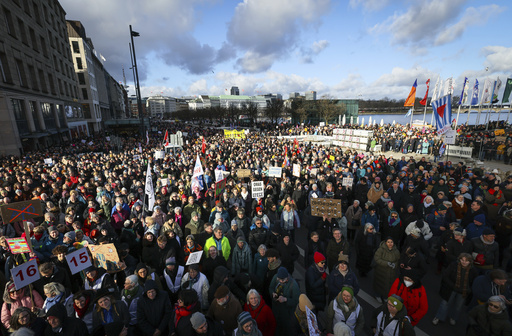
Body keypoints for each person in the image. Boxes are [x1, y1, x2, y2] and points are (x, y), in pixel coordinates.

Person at [432, 253, 478, 326]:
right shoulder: (453, 265)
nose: (464, 262)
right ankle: (438, 317)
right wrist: (453, 286)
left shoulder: (473, 270)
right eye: (462, 260)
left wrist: (469, 289)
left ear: (470, 262)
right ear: (459, 259)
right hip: (450, 289)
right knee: (445, 304)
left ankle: (453, 317)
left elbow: (474, 282)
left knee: (458, 306)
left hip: (463, 291)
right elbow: (445, 276)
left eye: (466, 261)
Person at [268, 267, 300, 335]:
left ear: (287, 277)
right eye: (279, 279)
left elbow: (296, 301)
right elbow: (271, 287)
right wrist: (273, 293)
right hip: (276, 309)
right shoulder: (276, 277)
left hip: (286, 313)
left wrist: (286, 299)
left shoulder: (293, 285)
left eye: (283, 280)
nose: (281, 281)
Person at [372, 238, 400, 302]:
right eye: (388, 242)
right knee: (379, 284)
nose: (390, 244)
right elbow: (377, 259)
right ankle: (377, 295)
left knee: (388, 286)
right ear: (385, 243)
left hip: (391, 273)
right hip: (381, 271)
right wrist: (387, 263)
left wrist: (394, 265)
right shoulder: (380, 250)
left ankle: (385, 296)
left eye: (391, 242)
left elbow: (398, 260)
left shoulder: (396, 251)